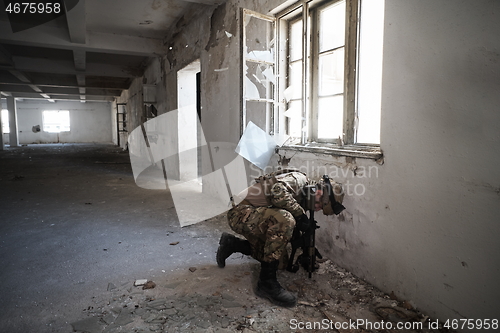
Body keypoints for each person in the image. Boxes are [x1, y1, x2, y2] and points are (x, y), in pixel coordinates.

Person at [216, 170, 345, 307]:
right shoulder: (298, 180)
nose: (317, 208)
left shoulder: (306, 196)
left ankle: (232, 244)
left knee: (280, 262)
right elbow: (277, 192)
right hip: (240, 212)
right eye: (320, 205)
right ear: (319, 193)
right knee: (285, 220)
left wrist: (304, 245)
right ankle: (266, 283)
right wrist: (300, 216)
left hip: (257, 216)